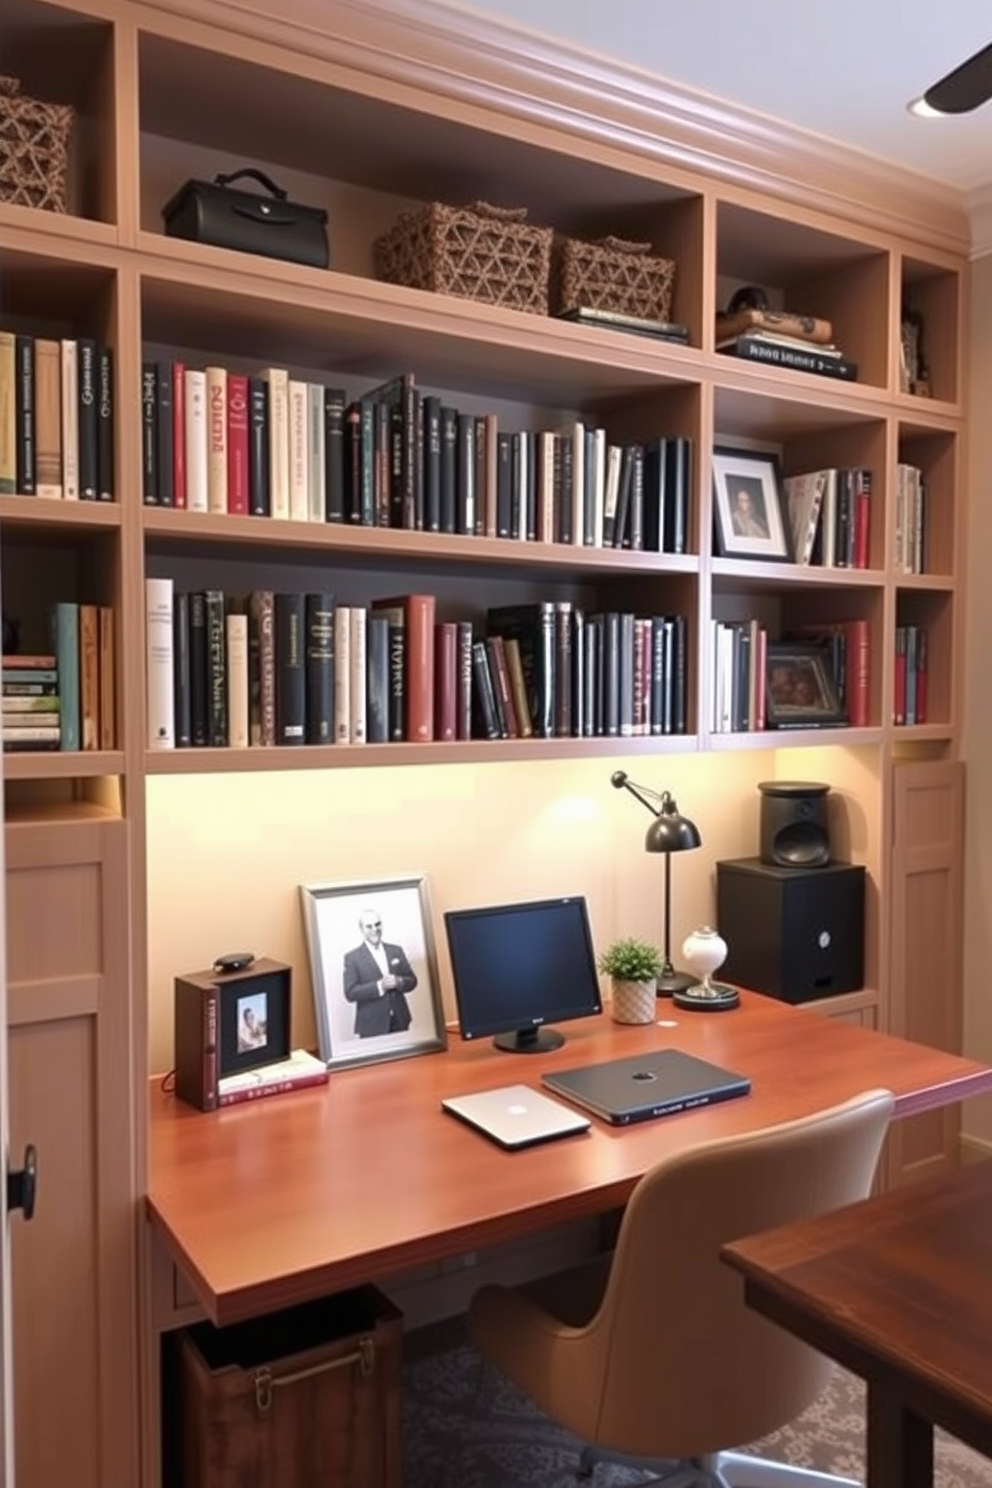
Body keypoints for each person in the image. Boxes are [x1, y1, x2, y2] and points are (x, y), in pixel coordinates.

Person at [343, 908, 418, 1038]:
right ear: (361, 929)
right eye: (369, 926)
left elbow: (412, 980)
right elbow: (350, 993)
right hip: (371, 1026)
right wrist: (379, 986)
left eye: (377, 924)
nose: (374, 929)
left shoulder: (396, 950)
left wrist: (398, 981)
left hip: (401, 1020)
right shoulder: (352, 957)